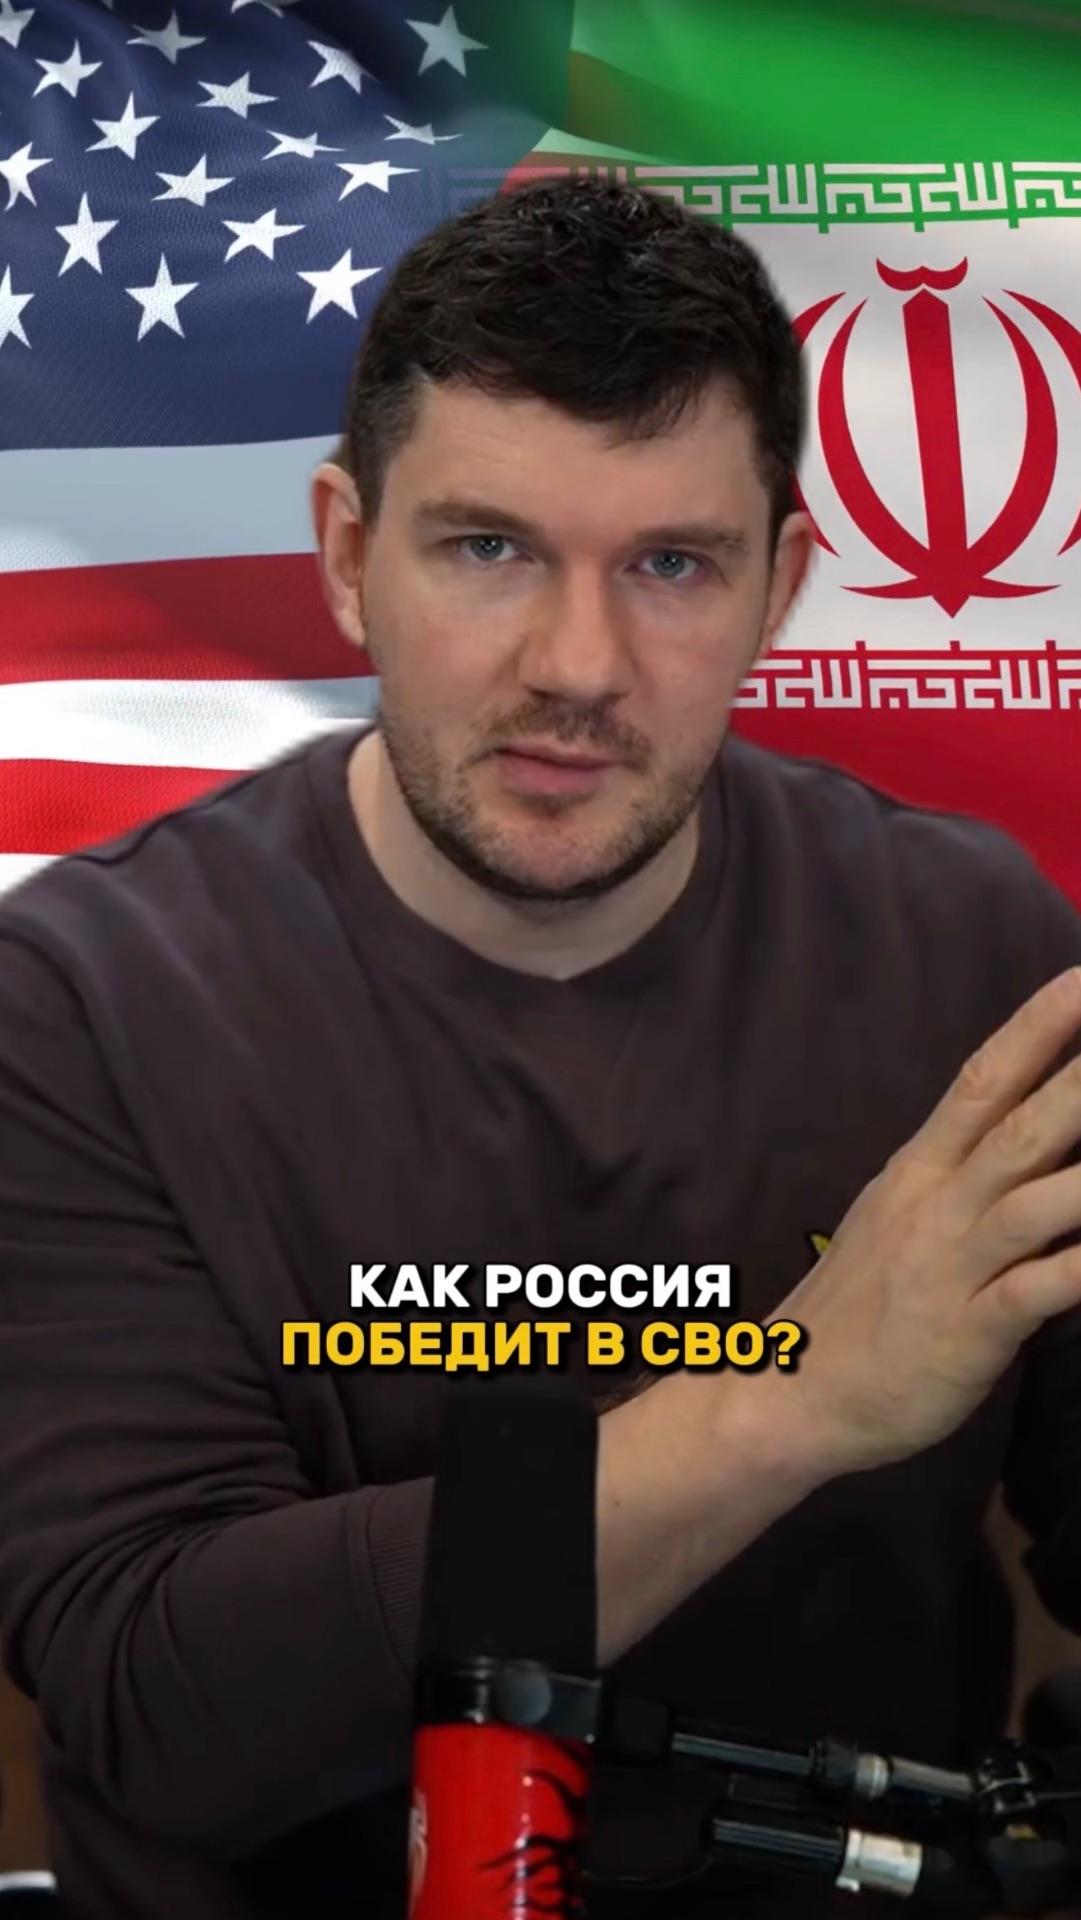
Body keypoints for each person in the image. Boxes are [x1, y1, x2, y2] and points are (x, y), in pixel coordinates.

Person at [1, 175, 1080, 1920]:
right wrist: (794, 1396)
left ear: (782, 585)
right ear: (346, 557)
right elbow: (161, 1705)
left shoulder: (978, 956)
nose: (579, 666)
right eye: (488, 549)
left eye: (670, 564)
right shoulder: (75, 1004)